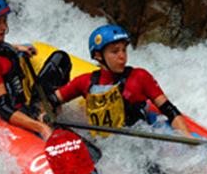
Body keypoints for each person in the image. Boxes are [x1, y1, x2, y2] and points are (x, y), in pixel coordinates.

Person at [47, 24, 191, 136]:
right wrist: (48, 113)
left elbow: (170, 111)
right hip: (106, 147)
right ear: (98, 55)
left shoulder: (140, 77)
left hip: (140, 144)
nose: (122, 56)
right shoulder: (85, 82)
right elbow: (51, 101)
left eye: (124, 50)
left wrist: (187, 139)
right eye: (115, 51)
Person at [0, 0, 72, 140]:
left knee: (61, 59)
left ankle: (42, 107)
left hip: (26, 104)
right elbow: (4, 109)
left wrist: (16, 48)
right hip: (16, 114)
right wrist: (40, 127)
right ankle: (41, 113)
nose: (4, 27)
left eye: (4, 21)